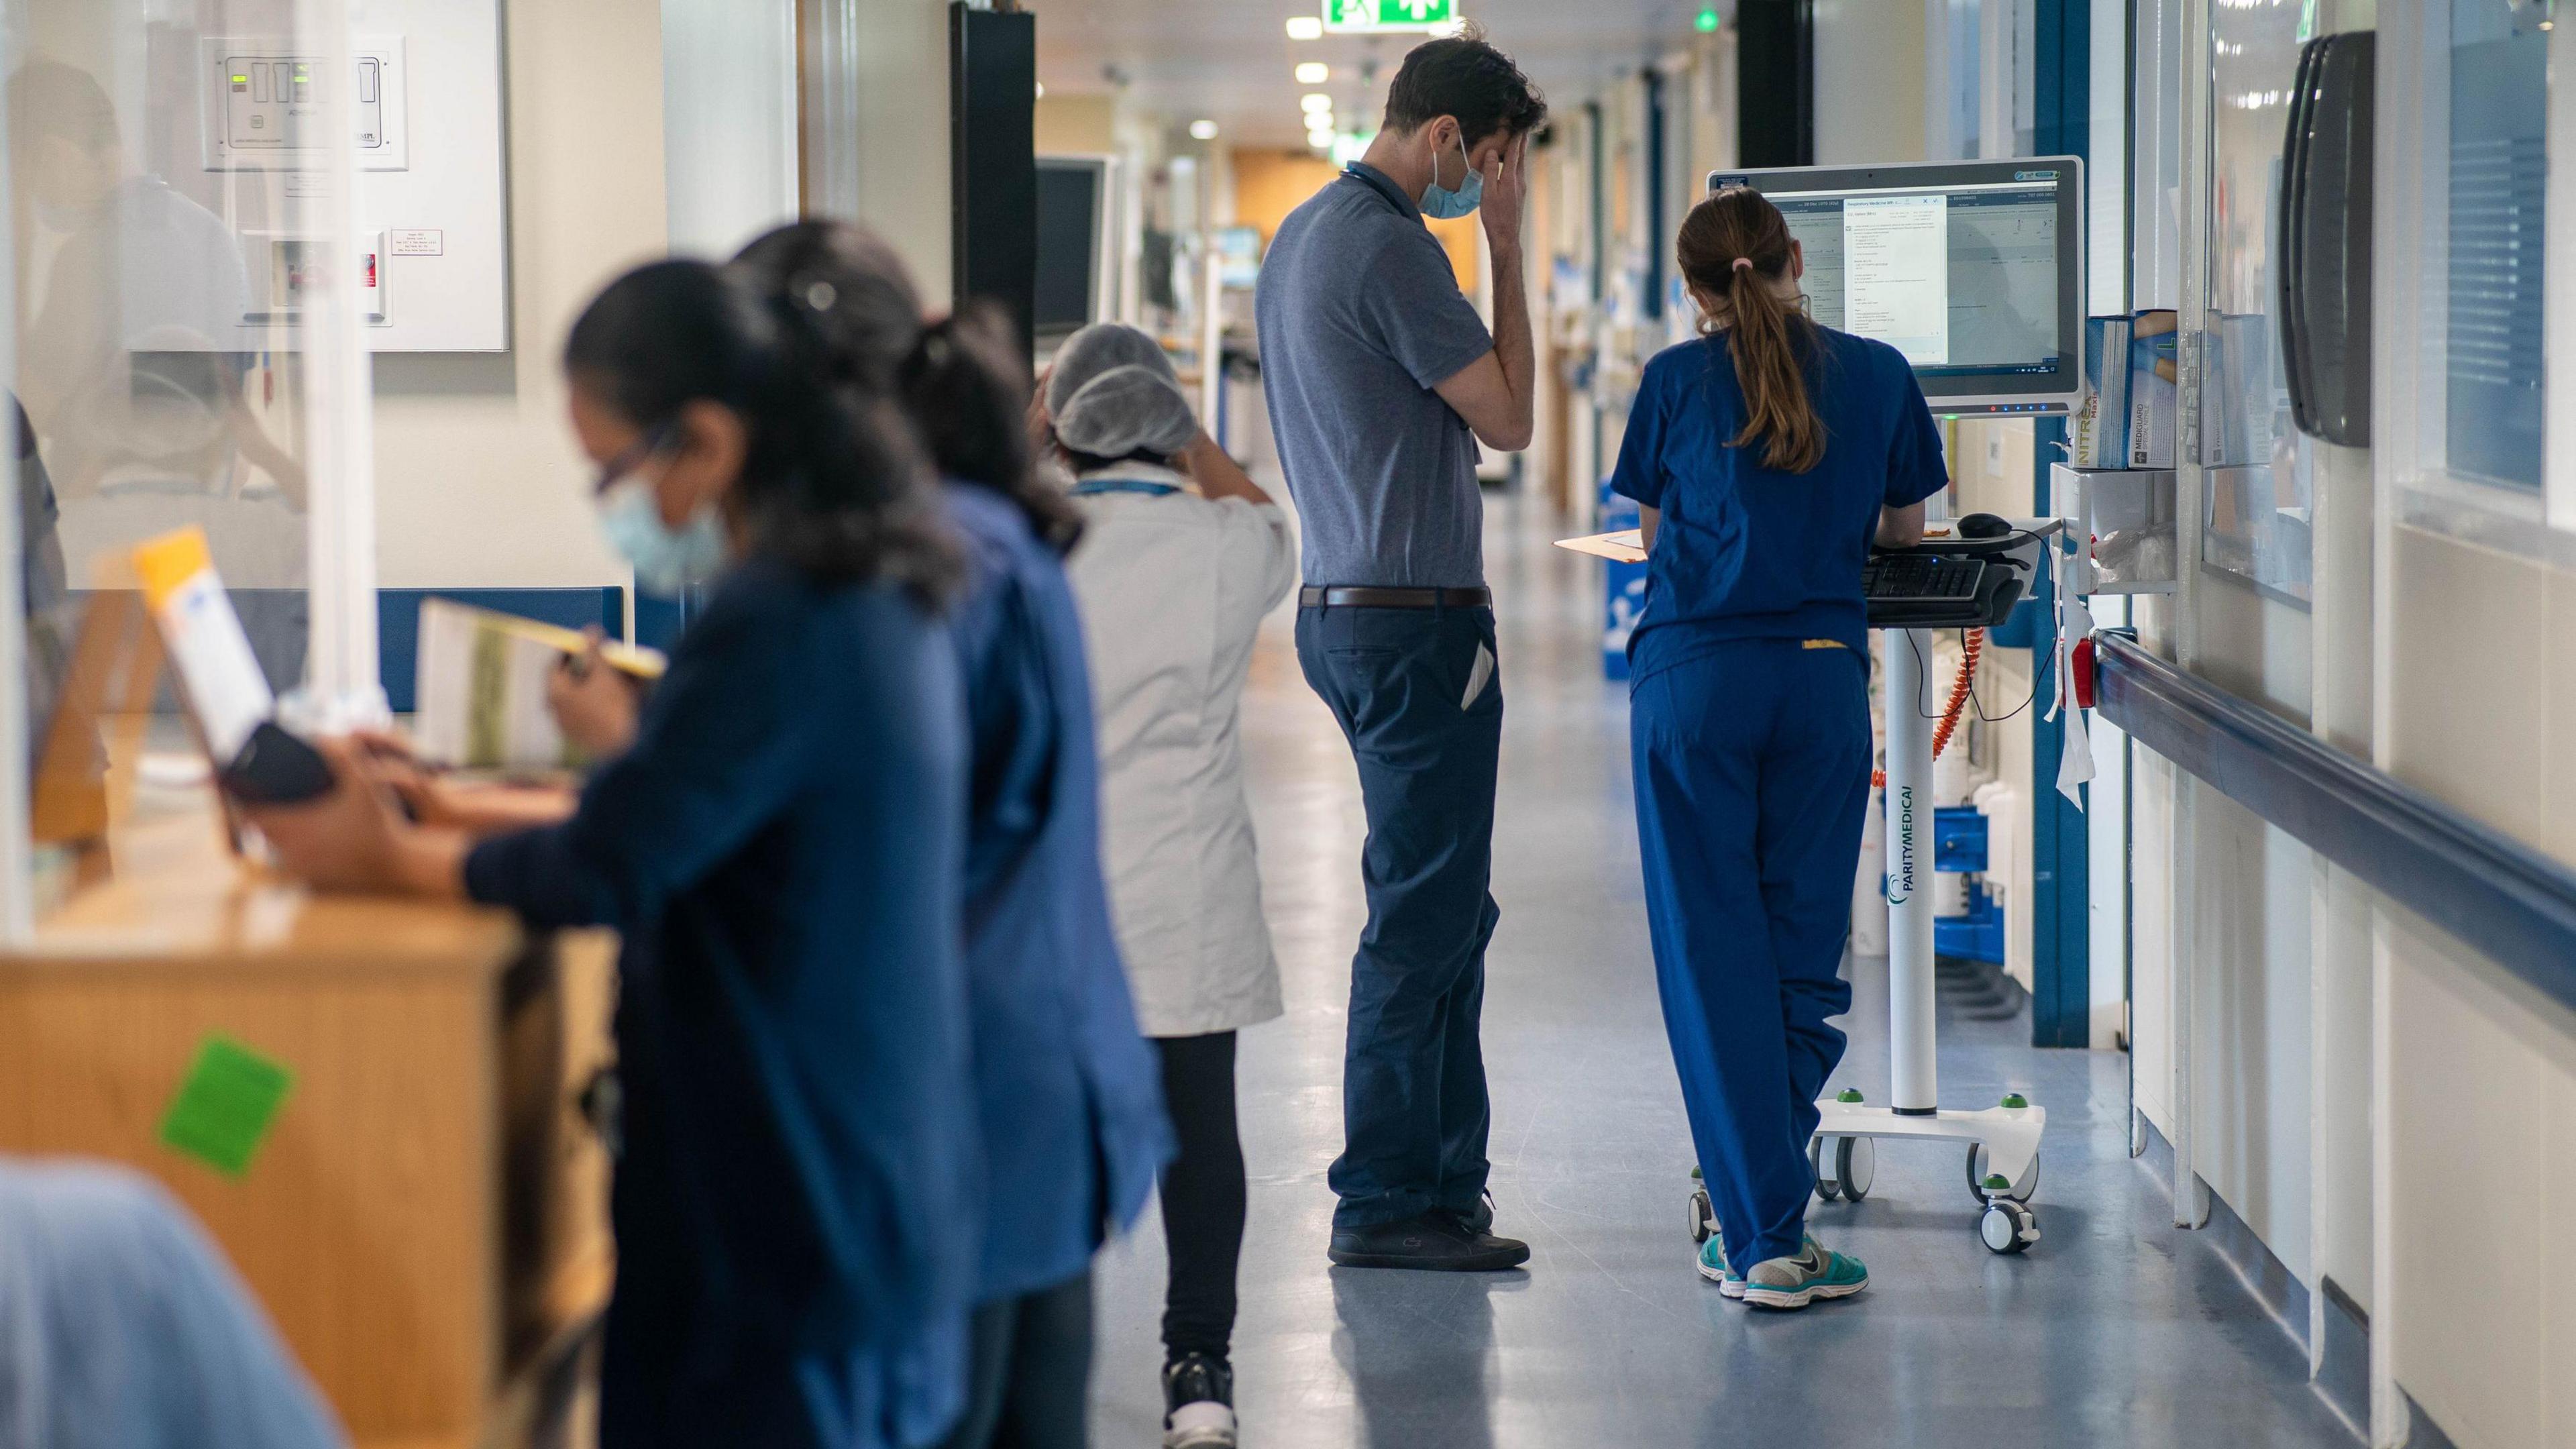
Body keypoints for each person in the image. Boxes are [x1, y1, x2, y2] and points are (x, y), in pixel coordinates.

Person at [245, 258, 984, 1445]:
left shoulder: (779, 621)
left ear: (706, 442)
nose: (609, 503)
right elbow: (681, 815)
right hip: (863, 1191)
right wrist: (440, 812)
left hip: (789, 1221)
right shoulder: (864, 586)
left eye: (610, 471)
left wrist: (385, 861)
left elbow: (611, 864)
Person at [730, 222, 1171, 1449]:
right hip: (1040, 1082)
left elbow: (875, 837)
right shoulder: (990, 535)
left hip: (966, 1100)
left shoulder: (929, 571)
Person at [1611, 186, 1947, 1310]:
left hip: (1694, 686)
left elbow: (1656, 535)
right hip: (1817, 682)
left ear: (1693, 291)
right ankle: (1766, 1213)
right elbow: (1904, 533)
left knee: (1714, 958)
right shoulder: (1881, 372)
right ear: (1799, 260)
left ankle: (1759, 1236)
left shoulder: (1671, 382)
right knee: (1800, 960)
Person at [1252, 28, 1546, 1271]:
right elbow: (1515, 417)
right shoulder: (1394, 245)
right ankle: (1384, 1200)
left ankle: (1440, 1182)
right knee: (1421, 923)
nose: (1490, 183)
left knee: (1442, 911)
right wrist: (1508, 248)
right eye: (1490, 162)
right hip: (1414, 627)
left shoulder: (1303, 237)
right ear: (1441, 141)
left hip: (1344, 608)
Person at [1037, 323, 1297, 1448]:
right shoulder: (1226, 546)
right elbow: (1270, 516)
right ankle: (1200, 1374)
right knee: (1199, 1133)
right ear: (1170, 424)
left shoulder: (1024, 552)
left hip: (1054, 901)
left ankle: (1035, 1363)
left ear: (1062, 427)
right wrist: (1192, 425)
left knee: (1047, 1137)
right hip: (1188, 893)